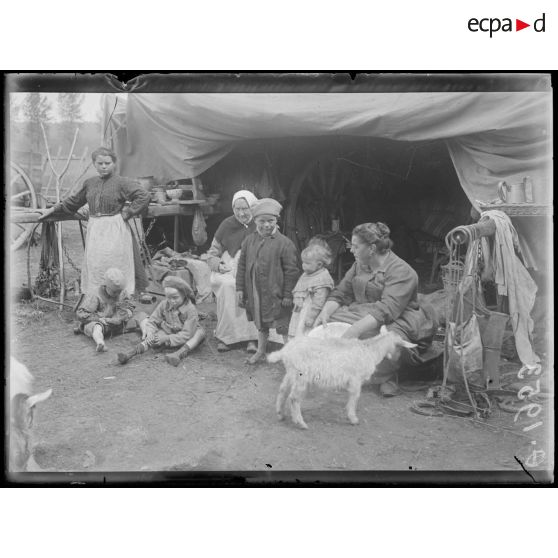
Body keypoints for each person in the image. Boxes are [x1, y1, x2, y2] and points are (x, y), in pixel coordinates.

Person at [314, 222, 437, 396]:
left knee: (386, 338)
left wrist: (355, 330)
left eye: (355, 246)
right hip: (364, 311)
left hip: (399, 317)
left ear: (372, 248)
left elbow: (385, 310)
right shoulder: (360, 264)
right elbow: (342, 292)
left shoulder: (402, 272)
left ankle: (387, 376)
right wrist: (325, 312)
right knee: (327, 325)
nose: (351, 250)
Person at [38, 147, 150, 296]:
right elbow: (74, 201)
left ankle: (119, 295)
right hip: (96, 228)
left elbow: (143, 196)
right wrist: (54, 209)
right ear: (94, 164)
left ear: (114, 164)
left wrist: (128, 212)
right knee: (96, 262)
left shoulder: (122, 182)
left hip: (115, 227)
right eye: (100, 163)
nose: (104, 166)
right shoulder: (90, 183)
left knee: (115, 260)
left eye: (107, 163)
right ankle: (98, 295)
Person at [236, 198, 301, 364]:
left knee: (282, 323)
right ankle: (260, 350)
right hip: (256, 291)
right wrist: (240, 289)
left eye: (270, 221)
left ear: (276, 221)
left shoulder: (285, 244)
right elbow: (242, 266)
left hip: (277, 293)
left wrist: (288, 295)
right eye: (262, 221)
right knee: (260, 322)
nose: (266, 225)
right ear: (255, 221)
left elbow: (292, 272)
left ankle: (290, 355)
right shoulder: (249, 241)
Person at [205, 189, 260, 353]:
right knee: (228, 286)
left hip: (254, 266)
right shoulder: (227, 224)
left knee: (253, 286)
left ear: (253, 207)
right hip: (229, 267)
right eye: (237, 209)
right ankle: (227, 337)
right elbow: (212, 254)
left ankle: (252, 338)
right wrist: (218, 265)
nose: (241, 213)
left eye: (245, 208)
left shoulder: (261, 222)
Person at [117, 275, 206, 367]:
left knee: (199, 333)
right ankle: (130, 354)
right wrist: (150, 333)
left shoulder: (190, 310)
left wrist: (167, 338)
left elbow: (187, 334)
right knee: (154, 338)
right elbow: (152, 321)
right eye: (168, 297)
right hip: (169, 331)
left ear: (184, 294)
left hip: (186, 336)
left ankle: (179, 353)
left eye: (175, 297)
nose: (171, 301)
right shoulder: (164, 304)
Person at [75, 267, 135, 352]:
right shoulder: (95, 296)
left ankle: (148, 334)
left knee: (141, 316)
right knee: (96, 327)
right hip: (101, 322)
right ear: (105, 286)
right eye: (114, 292)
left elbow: (129, 304)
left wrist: (122, 315)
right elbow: (81, 314)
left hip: (117, 323)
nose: (117, 294)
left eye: (119, 291)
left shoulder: (122, 292)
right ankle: (100, 342)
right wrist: (99, 319)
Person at [288, 239, 334, 338]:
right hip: (301, 311)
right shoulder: (307, 274)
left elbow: (319, 302)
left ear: (319, 264)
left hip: (310, 313)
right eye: (303, 262)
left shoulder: (322, 279)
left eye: (307, 263)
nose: (303, 265)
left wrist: (311, 317)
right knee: (297, 332)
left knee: (306, 334)